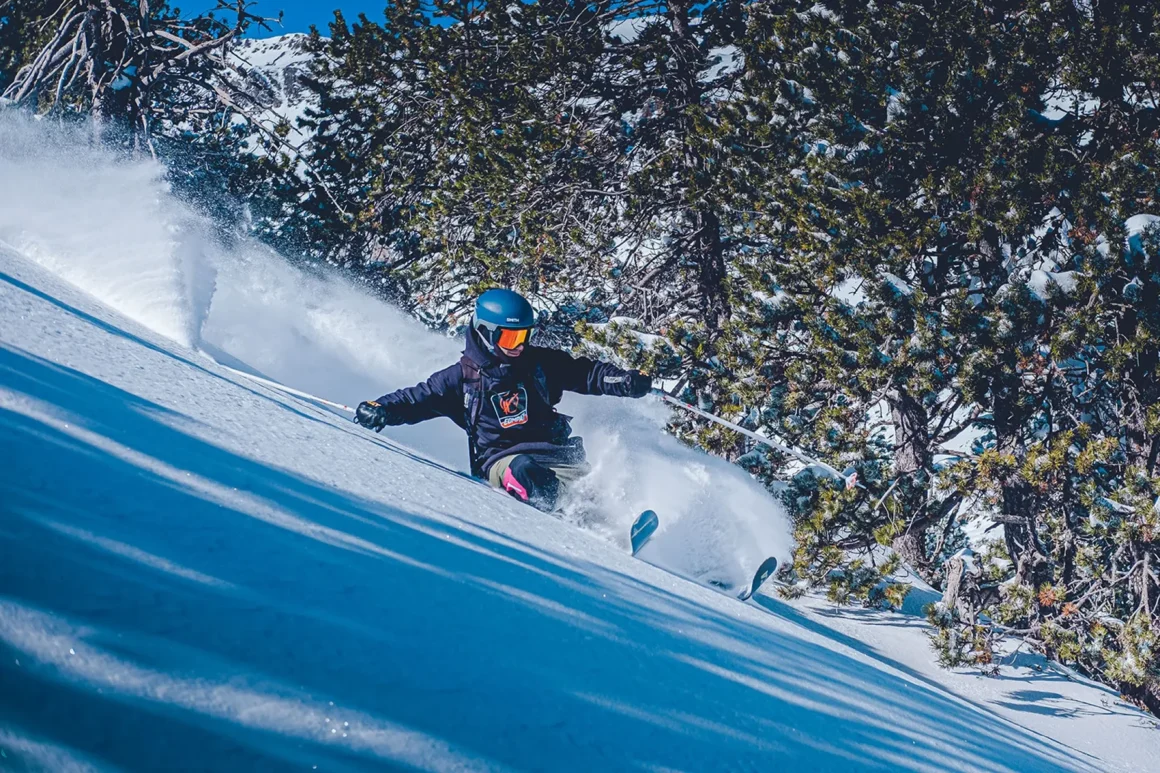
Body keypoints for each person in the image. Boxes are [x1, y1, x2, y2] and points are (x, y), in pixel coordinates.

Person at [354, 289, 652, 511]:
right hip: (502, 462)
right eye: (510, 338)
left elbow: (587, 373)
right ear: (485, 333)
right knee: (524, 471)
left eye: (524, 336)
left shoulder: (538, 364)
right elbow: (416, 399)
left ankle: (605, 525)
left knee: (591, 492)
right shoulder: (462, 378)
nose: (519, 346)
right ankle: (560, 513)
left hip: (555, 455)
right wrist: (381, 409)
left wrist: (624, 382)